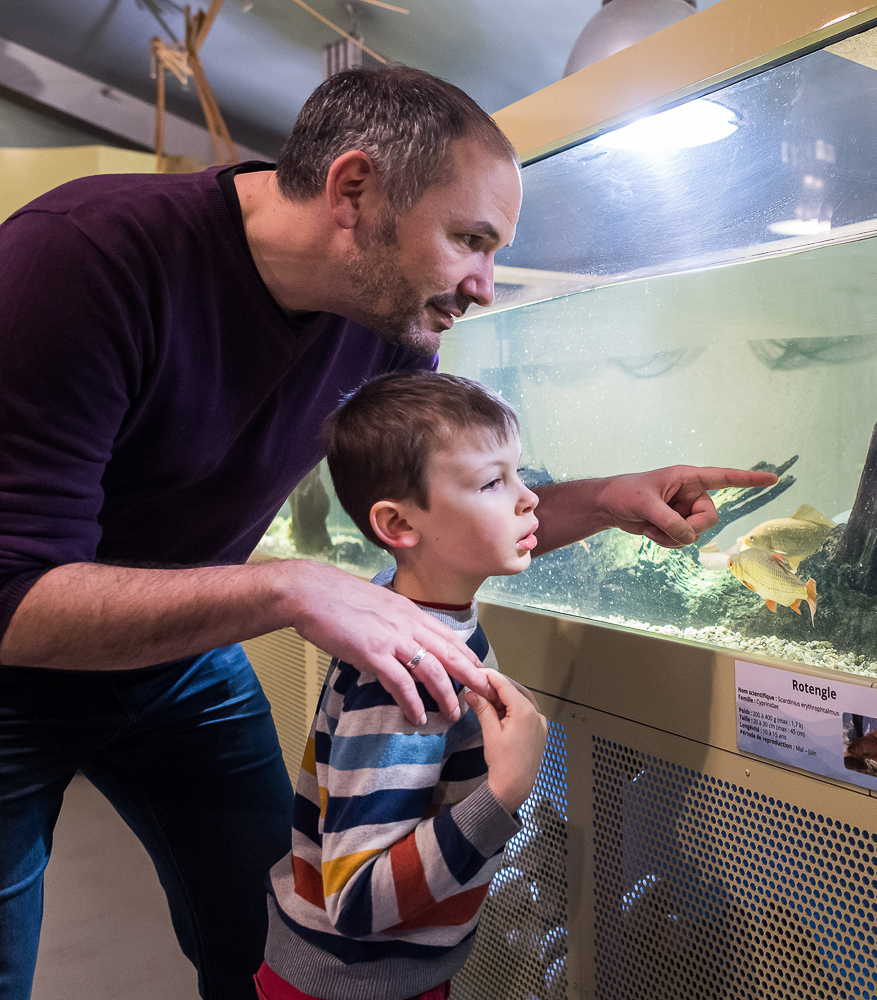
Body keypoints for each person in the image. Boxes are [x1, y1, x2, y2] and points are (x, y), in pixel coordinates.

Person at [0, 66, 776, 1000]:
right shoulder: (81, 260)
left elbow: (438, 521)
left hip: (184, 652)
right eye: (470, 240)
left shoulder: (391, 323)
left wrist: (609, 498)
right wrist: (288, 586)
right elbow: (13, 599)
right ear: (354, 190)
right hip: (17, 667)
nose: (485, 286)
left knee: (272, 937)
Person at [255, 371, 548, 1000]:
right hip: (352, 983)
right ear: (398, 525)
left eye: (518, 473)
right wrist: (505, 792)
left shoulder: (406, 606)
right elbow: (357, 900)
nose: (529, 499)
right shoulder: (404, 678)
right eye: (492, 482)